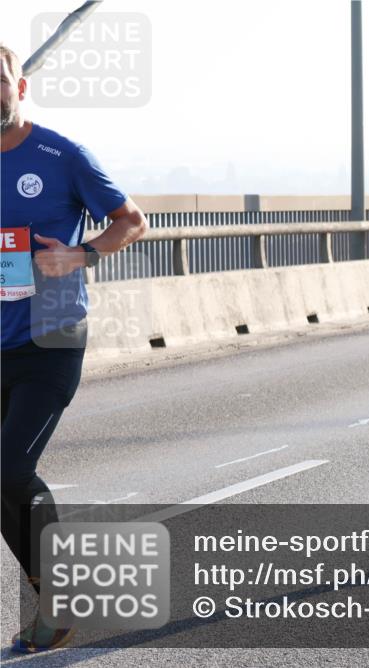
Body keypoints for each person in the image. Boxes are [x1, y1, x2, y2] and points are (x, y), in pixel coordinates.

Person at [1, 45, 147, 652]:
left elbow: (131, 220)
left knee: (9, 466)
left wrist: (79, 254)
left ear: (20, 84)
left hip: (53, 333)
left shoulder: (60, 155)